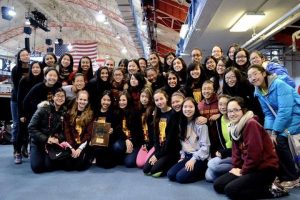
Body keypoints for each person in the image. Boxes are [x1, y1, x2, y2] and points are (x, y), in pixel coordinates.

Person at [214, 97, 288, 199]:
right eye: (229, 111)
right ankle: (257, 185)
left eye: (236, 110)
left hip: (264, 169)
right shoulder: (234, 126)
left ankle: (272, 189)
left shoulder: (251, 124)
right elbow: (236, 153)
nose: (232, 114)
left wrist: (242, 172)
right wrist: (236, 168)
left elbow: (254, 155)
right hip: (250, 167)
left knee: (230, 191)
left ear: (243, 110)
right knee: (218, 185)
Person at [247, 64, 300, 189]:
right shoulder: (258, 91)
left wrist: (275, 132)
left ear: (264, 73)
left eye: (255, 73)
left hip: (295, 115)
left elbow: (285, 110)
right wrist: (268, 132)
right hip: (283, 119)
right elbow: (268, 114)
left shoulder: (279, 84)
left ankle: (293, 177)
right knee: (269, 141)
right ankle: (282, 175)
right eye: (249, 76)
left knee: (280, 140)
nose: (253, 78)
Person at [167, 97, 210, 183]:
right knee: (171, 175)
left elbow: (205, 147)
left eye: (191, 107)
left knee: (180, 177)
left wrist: (193, 159)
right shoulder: (181, 124)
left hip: (199, 157)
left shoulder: (201, 125)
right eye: (185, 107)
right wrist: (182, 156)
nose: (188, 109)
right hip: (187, 156)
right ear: (182, 108)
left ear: (195, 108)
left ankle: (202, 171)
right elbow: (183, 144)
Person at [28, 88, 67, 173]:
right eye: (57, 95)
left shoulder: (64, 112)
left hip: (51, 143)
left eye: (62, 96)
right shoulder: (43, 109)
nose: (60, 98)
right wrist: (46, 139)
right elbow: (31, 127)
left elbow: (64, 131)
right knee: (37, 167)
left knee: (49, 166)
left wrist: (58, 139)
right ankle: (32, 151)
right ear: (53, 97)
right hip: (38, 142)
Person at [143, 89, 180, 177]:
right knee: (146, 170)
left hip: (171, 150)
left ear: (166, 98)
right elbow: (155, 136)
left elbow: (170, 140)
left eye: (161, 99)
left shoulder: (173, 114)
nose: (159, 102)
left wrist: (157, 155)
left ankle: (171, 163)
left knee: (154, 171)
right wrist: (156, 152)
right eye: (156, 100)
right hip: (160, 149)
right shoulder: (157, 114)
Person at [17, 61, 43, 160]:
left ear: (41, 69)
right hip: (25, 110)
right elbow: (20, 99)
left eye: (38, 68)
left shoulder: (43, 81)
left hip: (37, 111)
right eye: (34, 67)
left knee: (35, 132)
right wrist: (21, 114)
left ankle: (32, 151)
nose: (35, 69)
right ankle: (18, 151)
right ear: (30, 69)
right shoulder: (24, 80)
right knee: (22, 131)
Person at [64, 90, 94, 171]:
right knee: (68, 166)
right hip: (72, 143)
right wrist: (72, 148)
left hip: (83, 144)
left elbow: (88, 134)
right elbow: (67, 132)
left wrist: (80, 148)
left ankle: (89, 157)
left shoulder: (90, 115)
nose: (82, 102)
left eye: (85, 100)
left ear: (87, 101)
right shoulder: (69, 113)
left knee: (80, 167)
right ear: (77, 99)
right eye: (80, 99)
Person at [205, 95, 232, 182]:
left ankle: (237, 170)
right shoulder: (218, 121)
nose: (223, 107)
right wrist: (219, 151)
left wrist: (224, 152)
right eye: (220, 104)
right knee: (209, 176)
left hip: (235, 154)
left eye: (226, 104)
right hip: (225, 154)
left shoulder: (235, 119)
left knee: (212, 164)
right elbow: (219, 142)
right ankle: (228, 176)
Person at [113, 91, 143, 168]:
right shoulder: (116, 112)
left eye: (124, 100)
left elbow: (138, 132)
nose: (121, 102)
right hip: (124, 139)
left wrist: (131, 142)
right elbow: (117, 130)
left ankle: (129, 154)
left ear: (128, 101)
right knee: (116, 146)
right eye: (120, 100)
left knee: (129, 163)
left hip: (135, 141)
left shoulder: (135, 113)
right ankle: (125, 153)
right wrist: (126, 140)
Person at [11, 48, 30, 163]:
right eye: (22, 55)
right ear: (19, 57)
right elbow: (17, 88)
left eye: (26, 54)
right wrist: (21, 102)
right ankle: (16, 150)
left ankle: (24, 147)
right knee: (17, 124)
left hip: (28, 101)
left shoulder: (33, 68)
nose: (25, 56)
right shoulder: (15, 70)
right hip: (16, 100)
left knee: (27, 125)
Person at [92, 90, 118, 168]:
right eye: (104, 99)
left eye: (108, 100)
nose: (106, 102)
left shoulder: (113, 113)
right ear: (100, 100)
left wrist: (113, 130)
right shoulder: (95, 112)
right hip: (96, 140)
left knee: (107, 164)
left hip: (109, 141)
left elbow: (117, 128)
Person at [136, 88, 155, 168]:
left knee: (147, 164)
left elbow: (154, 131)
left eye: (147, 97)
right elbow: (138, 130)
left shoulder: (154, 110)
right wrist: (143, 144)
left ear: (150, 98)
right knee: (140, 164)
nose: (144, 99)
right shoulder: (138, 110)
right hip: (144, 143)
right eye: (142, 96)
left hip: (153, 143)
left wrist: (150, 145)